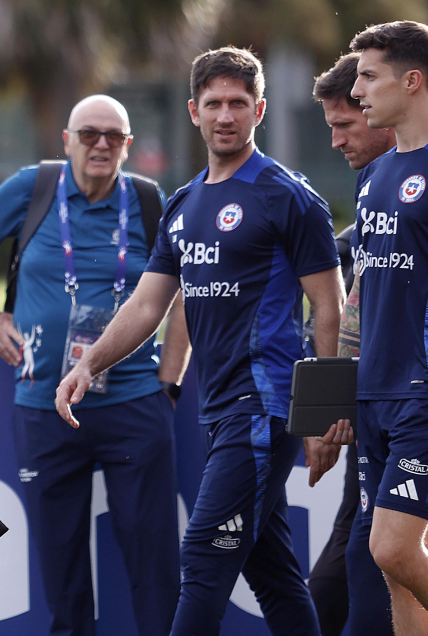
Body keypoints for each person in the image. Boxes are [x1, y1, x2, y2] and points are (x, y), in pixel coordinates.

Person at [56, 47, 351, 636]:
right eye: (213, 103)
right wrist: (89, 364)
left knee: (203, 562)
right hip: (217, 410)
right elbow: (147, 304)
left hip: (264, 409)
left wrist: (326, 414)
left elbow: (330, 304)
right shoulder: (184, 205)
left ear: (258, 110)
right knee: (273, 576)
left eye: (237, 104)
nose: (225, 116)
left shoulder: (287, 195)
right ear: (193, 111)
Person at [0, 94, 189, 636]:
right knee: (62, 570)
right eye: (88, 134)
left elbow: (183, 301)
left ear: (128, 145)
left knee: (155, 567)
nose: (100, 144)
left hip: (131, 404)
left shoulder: (152, 202)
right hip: (42, 407)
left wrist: (168, 383)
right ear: (66, 140)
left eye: (113, 136)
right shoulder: (34, 188)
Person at [309, 51, 396, 636]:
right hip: (373, 409)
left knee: (371, 564)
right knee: (352, 569)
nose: (337, 139)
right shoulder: (374, 185)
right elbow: (356, 285)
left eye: (346, 123)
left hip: (406, 406)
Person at [348, 21, 428, 636]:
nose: (357, 90)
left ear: (412, 79)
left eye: (369, 75)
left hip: (421, 395)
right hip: (374, 392)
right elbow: (362, 293)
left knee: (393, 548)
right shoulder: (374, 178)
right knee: (398, 578)